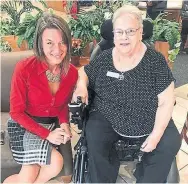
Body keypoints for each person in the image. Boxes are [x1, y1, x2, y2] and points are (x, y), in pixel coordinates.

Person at [72, 5, 181, 183]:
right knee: (94, 134)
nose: (124, 37)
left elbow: (167, 102)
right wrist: (81, 87)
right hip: (109, 115)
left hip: (148, 117)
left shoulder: (155, 61)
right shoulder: (104, 58)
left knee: (169, 142)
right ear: (113, 34)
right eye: (119, 32)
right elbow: (85, 71)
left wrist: (155, 136)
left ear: (140, 32)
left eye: (130, 31)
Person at [3, 13, 78, 183]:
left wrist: (65, 124)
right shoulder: (24, 68)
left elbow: (63, 105)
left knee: (54, 165)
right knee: (30, 174)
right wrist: (47, 135)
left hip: (48, 125)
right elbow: (16, 112)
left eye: (62, 42)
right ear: (40, 44)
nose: (57, 50)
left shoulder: (71, 73)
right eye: (49, 43)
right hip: (24, 125)